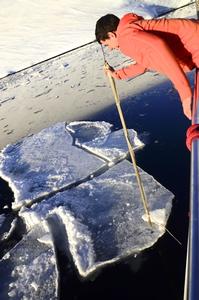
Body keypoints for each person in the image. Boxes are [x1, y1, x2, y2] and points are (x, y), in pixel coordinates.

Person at [95, 13, 199, 119]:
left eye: (107, 44)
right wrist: (117, 74)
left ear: (112, 35)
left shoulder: (125, 39)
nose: (110, 49)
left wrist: (185, 94)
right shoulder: (131, 30)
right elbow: (144, 63)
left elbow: (158, 47)